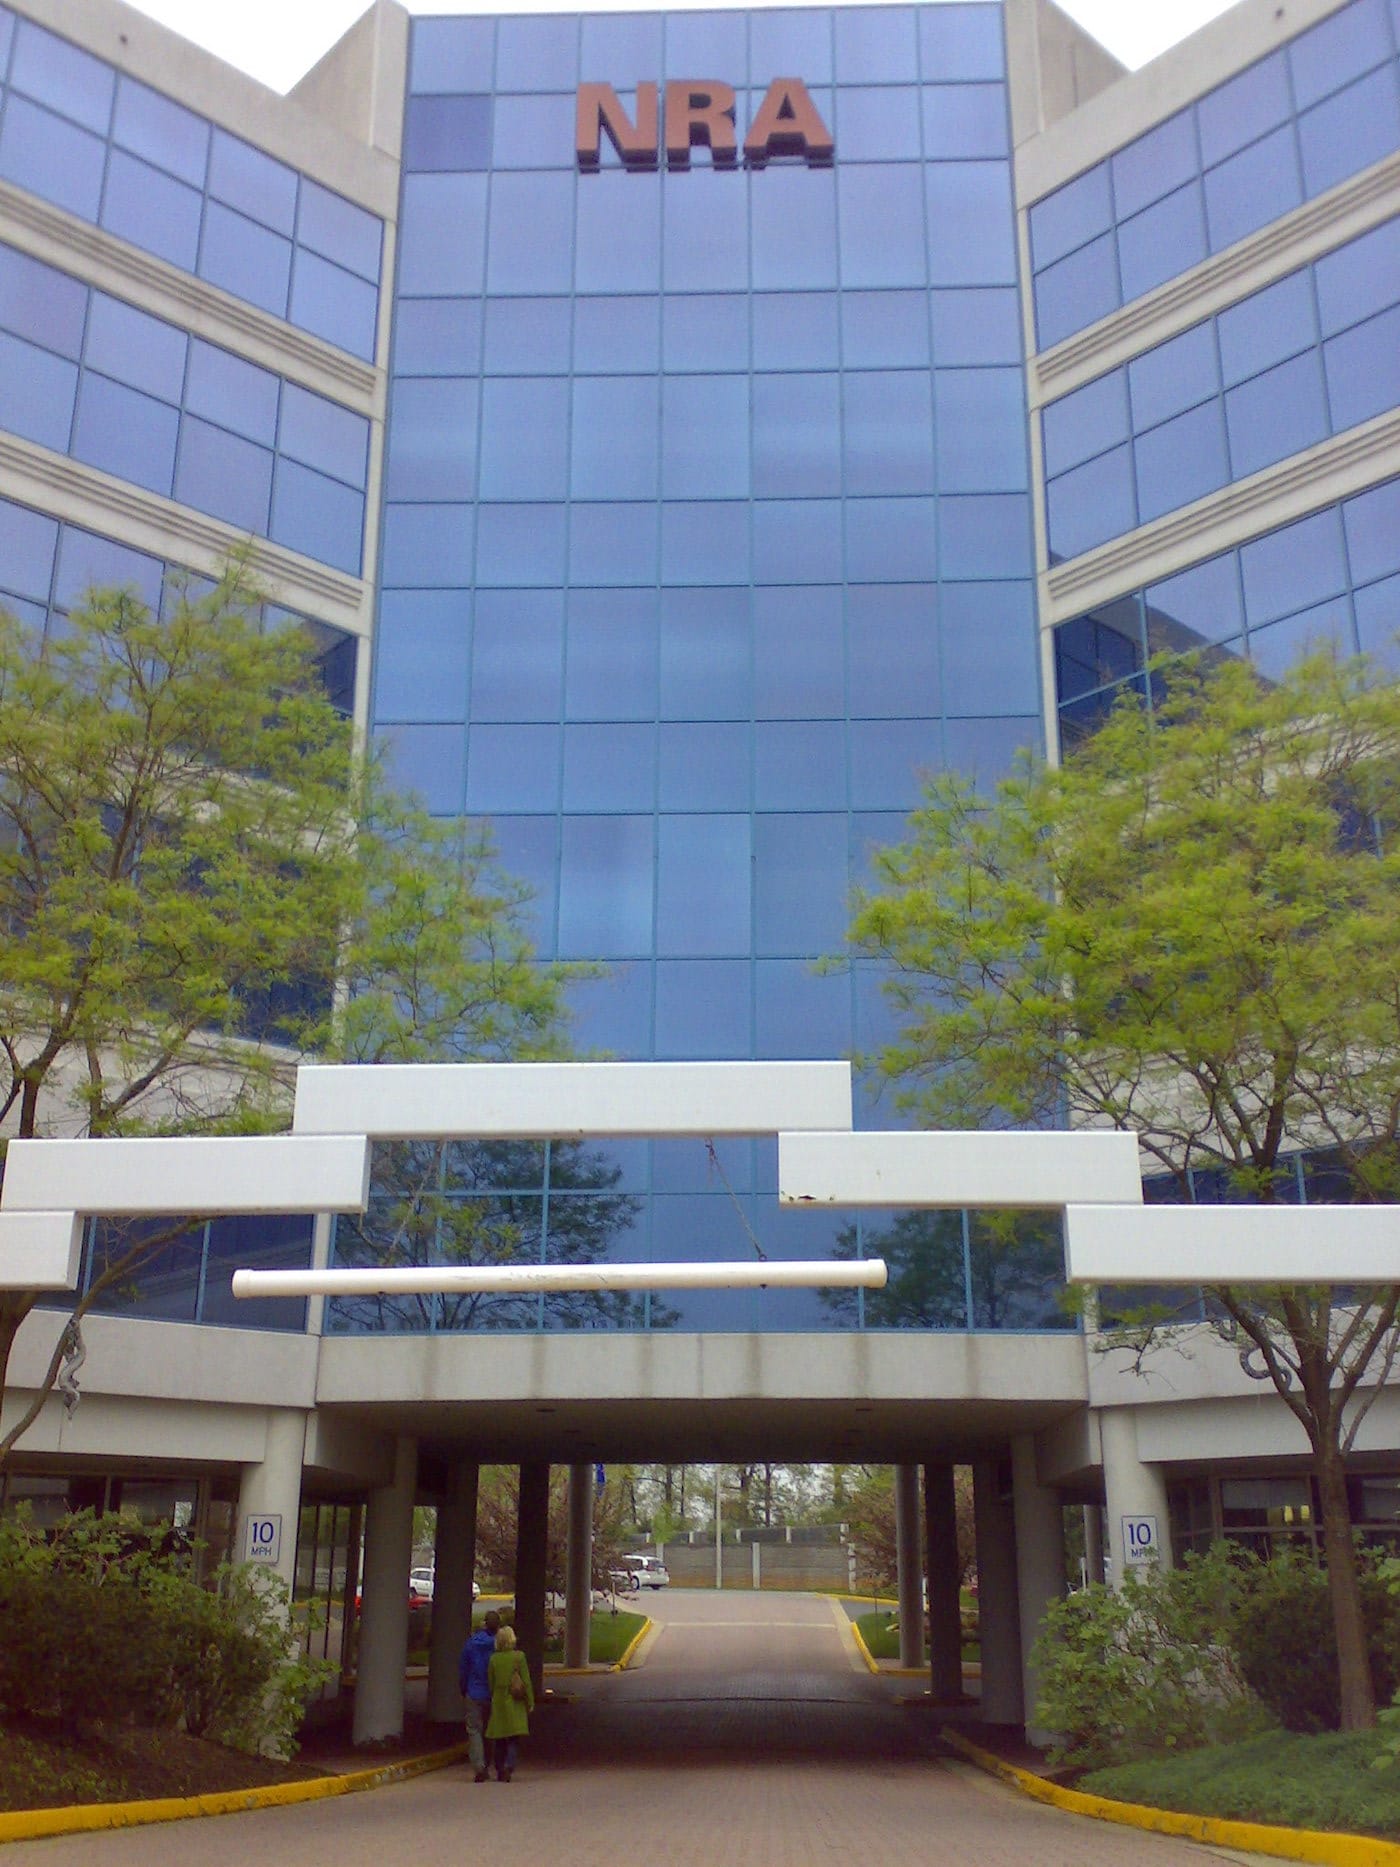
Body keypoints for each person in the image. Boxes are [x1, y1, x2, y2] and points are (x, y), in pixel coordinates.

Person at [485, 1622, 534, 1782]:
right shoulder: (519, 1657)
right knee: (513, 1738)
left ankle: (499, 1768)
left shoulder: (493, 1659)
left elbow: (490, 1682)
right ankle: (509, 1766)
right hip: (515, 1701)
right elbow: (526, 1681)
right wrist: (530, 1701)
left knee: (500, 1738)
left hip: (499, 1701)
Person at [458, 1608, 500, 1783]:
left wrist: (463, 1688)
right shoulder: (499, 1645)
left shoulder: (471, 1644)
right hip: (493, 1694)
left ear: (484, 1623)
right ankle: (491, 1762)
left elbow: (463, 1669)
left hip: (473, 1692)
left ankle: (479, 1766)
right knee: (491, 1731)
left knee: (474, 1730)